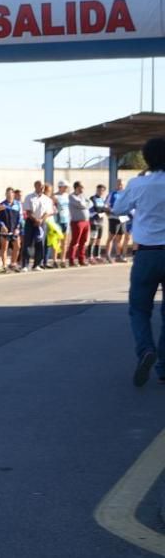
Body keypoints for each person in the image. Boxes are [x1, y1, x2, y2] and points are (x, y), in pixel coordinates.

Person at [113, 138, 165, 386]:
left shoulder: (138, 183)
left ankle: (145, 349)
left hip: (146, 253)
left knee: (139, 308)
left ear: (146, 158)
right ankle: (164, 368)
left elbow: (118, 208)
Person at [22, 181, 53, 271]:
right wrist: (35, 220)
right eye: (40, 186)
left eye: (43, 186)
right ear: (35, 186)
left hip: (42, 223)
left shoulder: (47, 199)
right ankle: (25, 265)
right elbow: (27, 211)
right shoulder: (29, 197)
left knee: (40, 243)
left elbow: (48, 212)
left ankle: (37, 264)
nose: (42, 188)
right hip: (31, 222)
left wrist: (41, 220)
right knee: (27, 243)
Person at [0, 187, 22, 272]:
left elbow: (20, 217)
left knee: (17, 246)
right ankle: (4, 265)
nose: (9, 195)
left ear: (13, 194)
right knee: (4, 247)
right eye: (8, 193)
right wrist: (2, 225)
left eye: (11, 193)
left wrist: (17, 228)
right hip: (5, 230)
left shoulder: (18, 204)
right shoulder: (2, 205)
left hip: (14, 229)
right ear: (6, 194)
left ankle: (13, 263)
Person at [67, 181, 92, 266]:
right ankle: (71, 260)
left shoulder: (83, 196)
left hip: (86, 222)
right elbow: (80, 204)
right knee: (75, 241)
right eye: (81, 187)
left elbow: (90, 203)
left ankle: (82, 259)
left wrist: (86, 204)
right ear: (76, 187)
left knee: (83, 241)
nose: (83, 189)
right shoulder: (71, 196)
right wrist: (86, 204)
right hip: (77, 222)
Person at [88, 184, 110, 263]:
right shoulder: (92, 198)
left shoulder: (103, 199)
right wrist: (103, 209)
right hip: (94, 221)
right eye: (98, 190)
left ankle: (97, 256)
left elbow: (105, 208)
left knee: (99, 239)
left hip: (101, 221)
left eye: (102, 190)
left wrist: (103, 209)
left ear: (104, 191)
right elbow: (96, 208)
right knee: (93, 239)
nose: (100, 192)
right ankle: (90, 257)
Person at [54, 180, 72, 267]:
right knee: (56, 241)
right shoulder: (55, 196)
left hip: (66, 220)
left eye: (67, 187)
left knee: (65, 241)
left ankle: (63, 260)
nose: (66, 189)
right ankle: (54, 260)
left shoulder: (68, 196)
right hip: (57, 220)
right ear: (60, 187)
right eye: (64, 187)